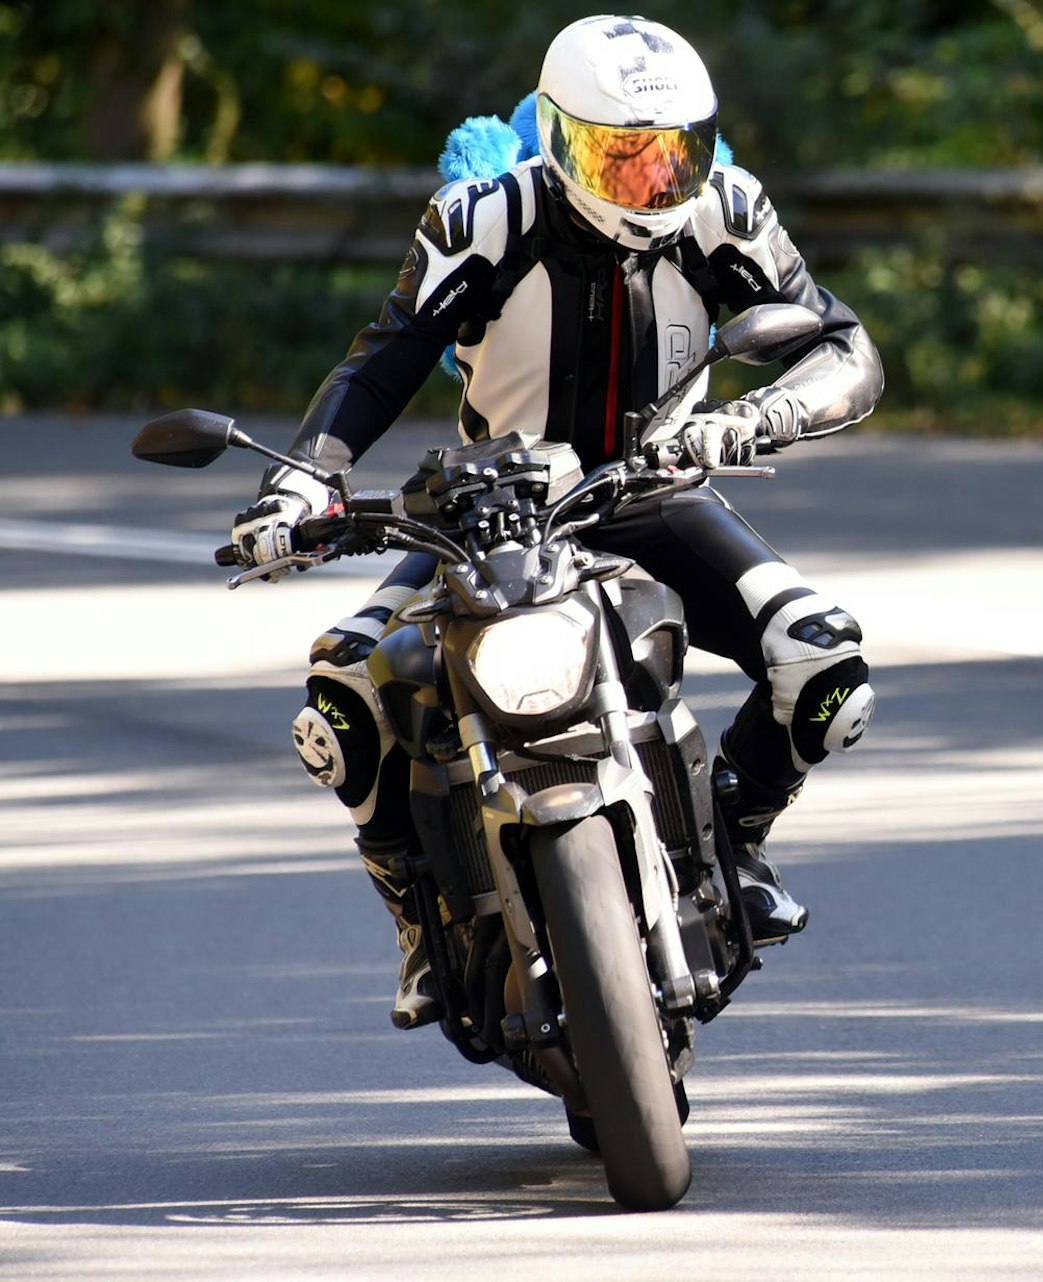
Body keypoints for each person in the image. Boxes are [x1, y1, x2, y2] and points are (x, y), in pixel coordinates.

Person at [231, 14, 882, 1029]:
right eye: (618, 157)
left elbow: (845, 348)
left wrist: (760, 413)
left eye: (675, 154)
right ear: (556, 134)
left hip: (655, 495)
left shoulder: (725, 210)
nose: (650, 183)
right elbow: (385, 354)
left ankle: (733, 840)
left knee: (825, 667)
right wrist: (304, 485)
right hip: (491, 512)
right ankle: (415, 913)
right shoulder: (480, 219)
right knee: (340, 696)